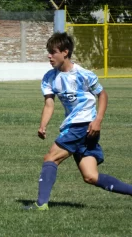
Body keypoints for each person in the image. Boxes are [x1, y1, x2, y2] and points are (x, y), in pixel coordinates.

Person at [25, 32, 132, 210]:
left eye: (53, 52)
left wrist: (98, 120)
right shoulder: (49, 78)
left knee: (50, 158)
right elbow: (49, 104)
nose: (49, 56)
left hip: (82, 124)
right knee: (90, 176)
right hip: (81, 127)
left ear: (65, 52)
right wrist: (43, 125)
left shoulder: (84, 74)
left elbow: (102, 95)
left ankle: (41, 204)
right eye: (48, 52)